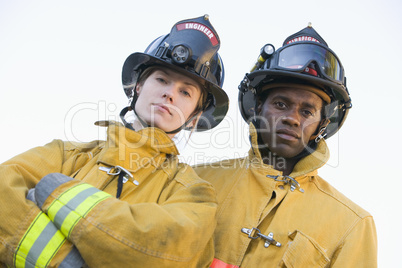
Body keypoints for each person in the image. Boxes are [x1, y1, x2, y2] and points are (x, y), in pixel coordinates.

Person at [0, 15, 229, 268]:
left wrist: (54, 193)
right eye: (162, 79)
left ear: (195, 114)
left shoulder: (194, 193)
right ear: (139, 86)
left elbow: (170, 250)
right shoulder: (65, 153)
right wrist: (63, 259)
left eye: (186, 91)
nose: (169, 94)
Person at [194, 24, 377, 267]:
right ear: (259, 107)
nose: (292, 118)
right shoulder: (195, 180)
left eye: (307, 111)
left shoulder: (353, 225)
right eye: (281, 104)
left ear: (322, 124)